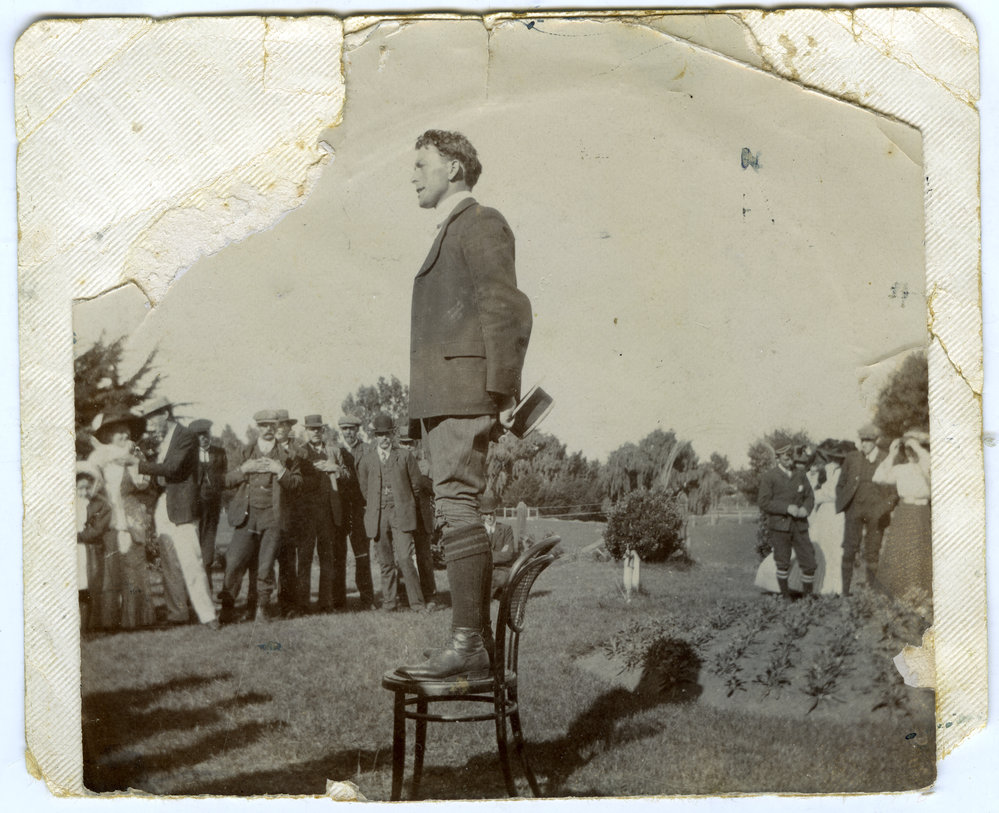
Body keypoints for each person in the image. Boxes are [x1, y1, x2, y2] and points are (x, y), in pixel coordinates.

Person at [399, 130, 532, 681]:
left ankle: (468, 645)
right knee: (456, 507)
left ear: (453, 168)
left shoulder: (480, 222)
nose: (412, 176)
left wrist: (501, 392)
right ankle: (468, 642)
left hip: (463, 392)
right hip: (445, 396)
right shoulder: (452, 230)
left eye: (420, 164)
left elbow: (506, 307)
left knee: (457, 506)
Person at [126, 398, 219, 629]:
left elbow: (172, 469)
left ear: (165, 414)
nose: (149, 423)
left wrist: (137, 464)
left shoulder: (185, 436)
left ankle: (208, 616)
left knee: (191, 562)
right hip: (164, 506)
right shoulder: (164, 441)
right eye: (147, 418)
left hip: (183, 508)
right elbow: (161, 477)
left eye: (152, 417)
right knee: (169, 562)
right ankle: (177, 614)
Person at [219, 409, 303, 623]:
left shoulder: (288, 456)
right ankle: (227, 609)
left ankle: (261, 609)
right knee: (234, 561)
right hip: (247, 517)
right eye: (264, 425)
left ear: (277, 427)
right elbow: (226, 480)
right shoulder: (245, 452)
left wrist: (280, 471)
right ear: (258, 427)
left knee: (265, 566)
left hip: (273, 518)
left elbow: (297, 484)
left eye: (272, 425)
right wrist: (243, 469)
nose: (268, 429)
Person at [88, 408, 157, 629]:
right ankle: (107, 620)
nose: (125, 436)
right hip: (108, 517)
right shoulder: (101, 453)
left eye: (127, 432)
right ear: (108, 435)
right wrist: (128, 456)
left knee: (133, 566)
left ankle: (135, 618)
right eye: (119, 432)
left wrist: (135, 460)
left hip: (131, 515)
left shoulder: (136, 455)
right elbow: (91, 479)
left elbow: (143, 483)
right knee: (110, 570)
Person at [357, 414, 426, 612]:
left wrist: (405, 503)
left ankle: (417, 603)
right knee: (385, 561)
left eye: (386, 433)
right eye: (379, 434)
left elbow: (417, 485)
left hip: (401, 513)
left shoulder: (404, 456)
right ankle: (390, 602)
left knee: (405, 558)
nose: (383, 438)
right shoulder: (367, 460)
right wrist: (377, 504)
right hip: (378, 515)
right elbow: (365, 489)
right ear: (374, 436)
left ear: (392, 434)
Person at [835, 423, 897, 595]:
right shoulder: (852, 458)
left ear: (876, 441)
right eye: (862, 440)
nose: (864, 444)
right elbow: (841, 484)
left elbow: (894, 492)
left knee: (872, 553)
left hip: (876, 514)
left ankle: (872, 592)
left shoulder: (886, 459)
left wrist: (883, 509)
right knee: (848, 550)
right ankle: (845, 592)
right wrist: (846, 506)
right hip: (854, 511)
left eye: (868, 441)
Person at [873, 430, 932, 601]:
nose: (909, 452)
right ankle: (900, 592)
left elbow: (929, 466)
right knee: (900, 550)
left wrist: (917, 447)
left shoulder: (927, 466)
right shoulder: (901, 469)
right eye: (907, 449)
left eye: (912, 448)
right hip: (904, 510)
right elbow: (878, 477)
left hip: (921, 511)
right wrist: (891, 454)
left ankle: (920, 593)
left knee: (920, 551)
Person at [301, 414, 349, 612]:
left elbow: (347, 474)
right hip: (306, 514)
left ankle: (326, 602)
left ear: (323, 431)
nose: (315, 433)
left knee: (327, 558)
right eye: (311, 429)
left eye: (318, 429)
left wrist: (334, 468)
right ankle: (303, 604)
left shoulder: (334, 451)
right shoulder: (300, 453)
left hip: (329, 514)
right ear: (306, 431)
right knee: (304, 558)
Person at [755, 444, 816, 598]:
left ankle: (807, 598)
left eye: (791, 459)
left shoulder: (800, 474)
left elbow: (810, 496)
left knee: (809, 562)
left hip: (800, 526)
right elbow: (764, 502)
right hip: (780, 526)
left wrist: (805, 509)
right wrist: (786, 508)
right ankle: (785, 597)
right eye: (786, 459)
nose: (790, 462)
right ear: (777, 459)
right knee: (782, 562)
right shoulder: (770, 476)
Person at [338, 414, 376, 610]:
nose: (348, 432)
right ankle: (337, 600)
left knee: (362, 554)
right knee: (338, 553)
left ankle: (367, 598)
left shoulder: (368, 450)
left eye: (351, 429)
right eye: (345, 429)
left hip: (361, 508)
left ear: (357, 430)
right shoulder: (336, 451)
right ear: (341, 431)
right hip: (340, 509)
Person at [399, 431, 439, 607]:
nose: (407, 447)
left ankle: (429, 594)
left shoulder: (426, 466)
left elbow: (434, 488)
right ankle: (406, 595)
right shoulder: (396, 463)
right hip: (403, 517)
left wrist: (421, 480)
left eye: (410, 443)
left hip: (422, 516)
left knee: (424, 557)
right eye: (403, 443)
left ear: (415, 445)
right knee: (403, 556)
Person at [191, 419, 227, 587]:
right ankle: (194, 589)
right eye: (199, 435)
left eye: (206, 434)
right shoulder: (188, 455)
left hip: (212, 506)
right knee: (193, 546)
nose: (203, 438)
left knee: (208, 545)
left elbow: (224, 478)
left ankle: (207, 584)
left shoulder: (219, 453)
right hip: (194, 507)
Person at [76, 463, 110, 633]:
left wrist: (78, 536)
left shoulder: (99, 505)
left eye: (86, 488)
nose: (83, 493)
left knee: (87, 586)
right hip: (73, 552)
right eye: (79, 488)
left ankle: (87, 626)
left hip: (88, 550)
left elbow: (97, 528)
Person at [481, 492, 521, 597]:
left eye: (491, 513)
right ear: (482, 515)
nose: (489, 517)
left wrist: (487, 555)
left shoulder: (506, 529)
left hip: (501, 570)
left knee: (502, 577)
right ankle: (493, 593)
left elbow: (508, 554)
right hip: (483, 570)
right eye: (486, 514)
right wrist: (498, 554)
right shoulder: (479, 531)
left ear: (495, 513)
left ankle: (492, 593)